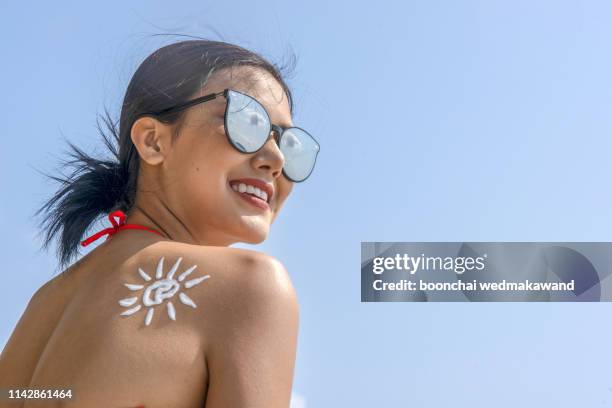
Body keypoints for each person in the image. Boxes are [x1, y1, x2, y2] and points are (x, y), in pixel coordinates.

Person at [0, 39, 320, 407]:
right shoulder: (250, 286)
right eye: (247, 121)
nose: (275, 159)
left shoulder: (46, 303)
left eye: (289, 144)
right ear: (153, 141)